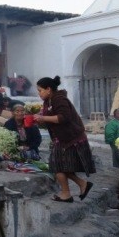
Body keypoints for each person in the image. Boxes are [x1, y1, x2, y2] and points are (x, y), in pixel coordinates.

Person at [34, 75, 95, 203]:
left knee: (57, 166)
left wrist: (43, 118)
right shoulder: (48, 101)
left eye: (40, 90)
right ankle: (79, 186)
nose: (39, 93)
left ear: (48, 89)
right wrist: (38, 120)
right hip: (61, 138)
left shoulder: (59, 99)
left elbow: (63, 117)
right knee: (60, 166)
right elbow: (50, 119)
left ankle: (67, 193)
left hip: (71, 138)